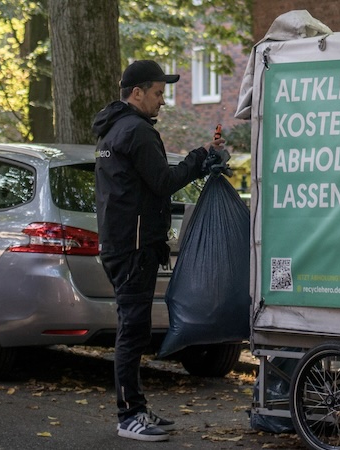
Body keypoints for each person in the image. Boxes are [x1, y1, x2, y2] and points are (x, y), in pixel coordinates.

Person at [91, 60, 224, 442]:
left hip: (122, 245)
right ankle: (128, 414)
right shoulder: (136, 132)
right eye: (158, 93)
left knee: (134, 327)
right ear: (137, 93)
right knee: (132, 330)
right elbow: (164, 181)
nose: (162, 101)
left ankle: (135, 406)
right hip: (133, 249)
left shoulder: (113, 130)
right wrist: (201, 157)